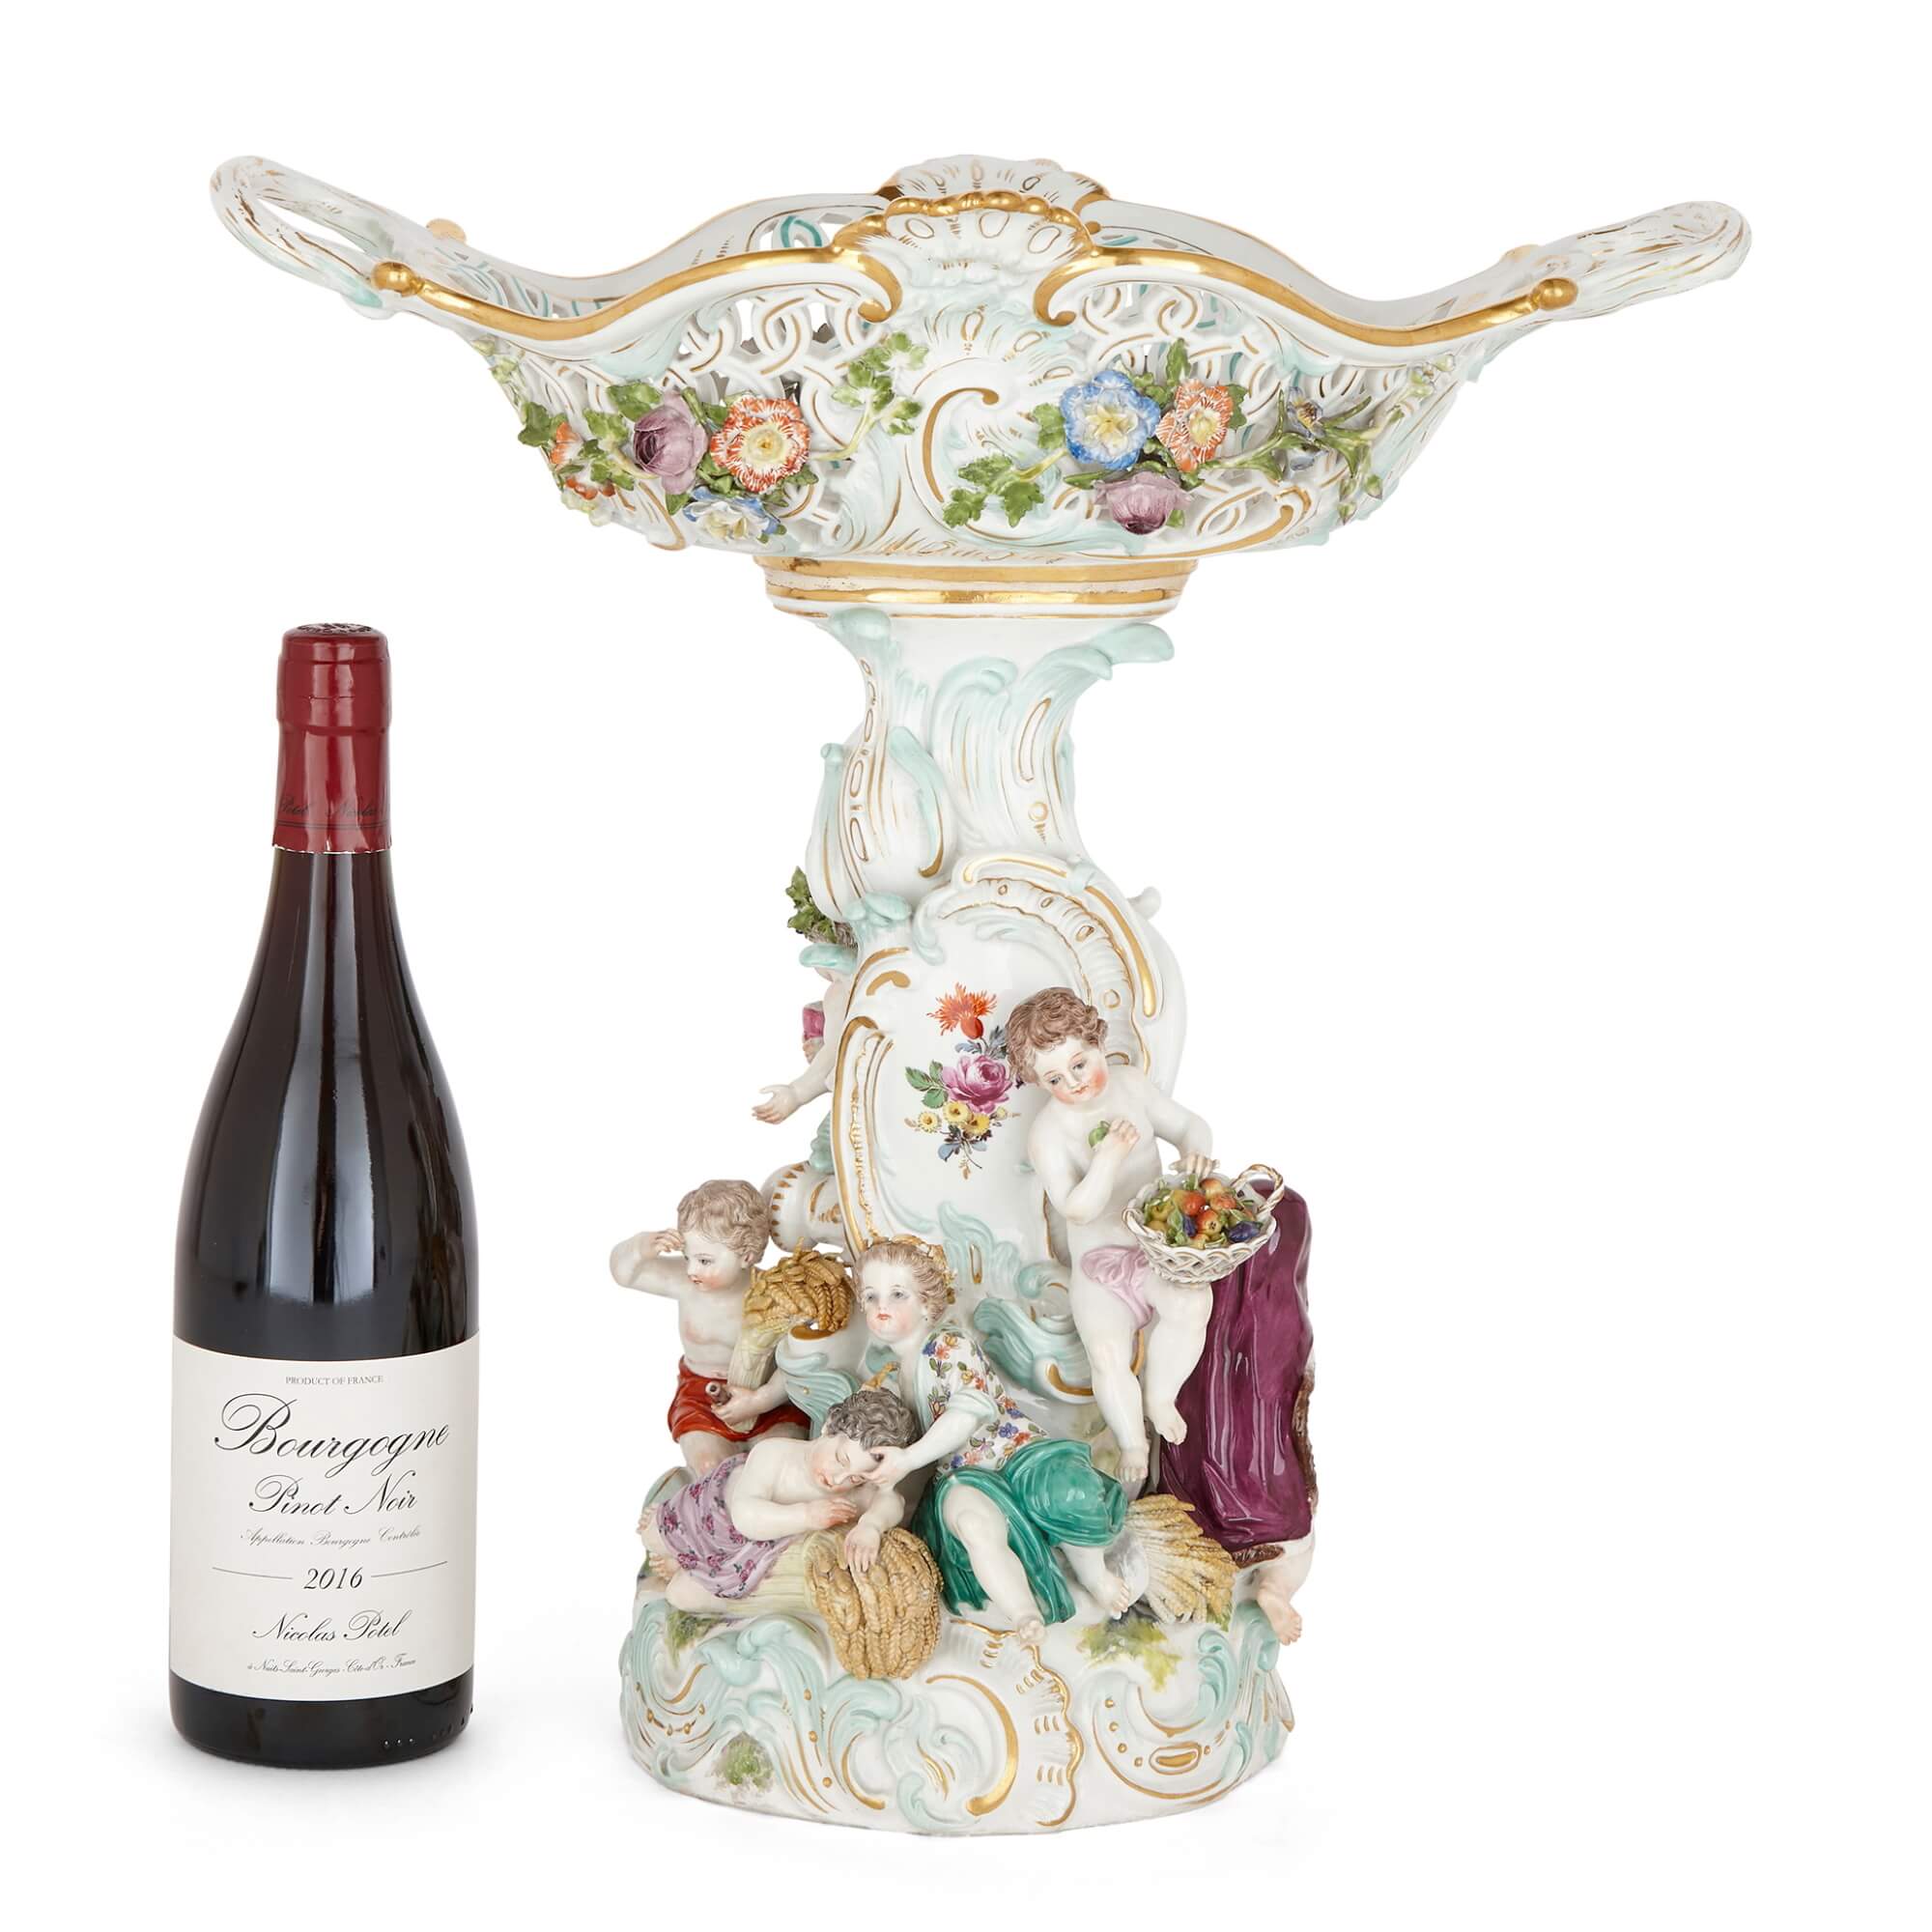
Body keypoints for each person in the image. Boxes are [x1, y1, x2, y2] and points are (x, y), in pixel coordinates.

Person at [857, 1236, 1134, 1642]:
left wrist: (908, 1459)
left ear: (925, 1303)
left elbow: (966, 1413)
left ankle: (1094, 1575)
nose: (882, 1305)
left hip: (1015, 1451)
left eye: (898, 1294)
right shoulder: (897, 1377)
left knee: (1063, 1491)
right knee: (973, 1524)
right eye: (871, 1296)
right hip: (962, 1474)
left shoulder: (948, 1345)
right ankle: (1023, 1612)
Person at [1007, 985, 1214, 1486]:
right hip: (1099, 1265)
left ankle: (1160, 1395)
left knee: (1192, 1304)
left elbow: (1190, 1125)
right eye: (1055, 1079)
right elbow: (1076, 1209)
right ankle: (1132, 1444)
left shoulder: (1130, 1088)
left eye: (1079, 1064)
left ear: (1098, 1042)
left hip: (1156, 1252)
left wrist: (1195, 1152)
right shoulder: (1049, 1132)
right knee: (1106, 1354)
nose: (1074, 1083)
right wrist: (1107, 1159)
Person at [639, 1386, 918, 1610]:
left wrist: (871, 1525)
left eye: (856, 1478)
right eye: (840, 1460)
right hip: (714, 1515)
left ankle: (688, 1568)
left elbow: (892, 1500)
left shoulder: (855, 1489)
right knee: (651, 1537)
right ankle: (683, 1554)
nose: (838, 1479)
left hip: (749, 1555)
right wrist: (806, 1516)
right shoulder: (776, 1454)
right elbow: (744, 1516)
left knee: (680, 1597)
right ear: (829, 1426)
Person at [611, 1178, 810, 1473]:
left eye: (704, 1261)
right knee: (711, 1466)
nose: (691, 1269)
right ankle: (694, 1495)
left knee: (776, 1463)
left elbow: (800, 1359)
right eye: (687, 1256)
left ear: (746, 1256)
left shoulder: (775, 1293)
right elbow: (625, 1274)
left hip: (770, 1397)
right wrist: (640, 1246)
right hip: (702, 1394)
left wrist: (760, 1400)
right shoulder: (684, 1282)